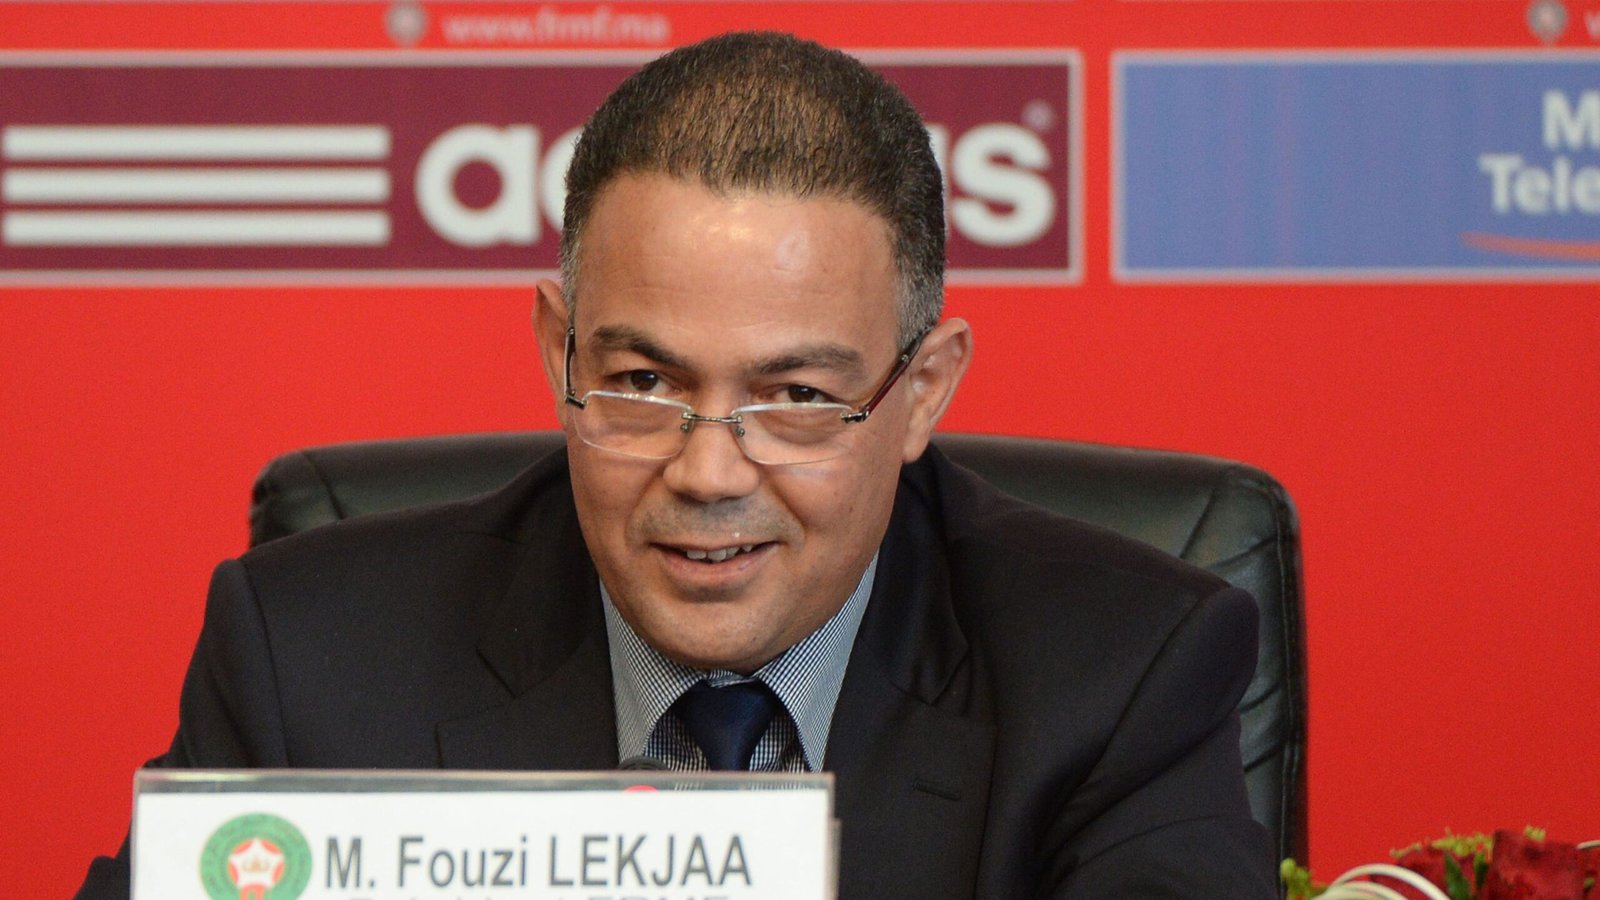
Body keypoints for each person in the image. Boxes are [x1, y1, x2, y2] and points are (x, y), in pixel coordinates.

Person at [77, 31, 1276, 898]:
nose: (709, 474)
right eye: (643, 385)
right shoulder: (309, 655)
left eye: (796, 397)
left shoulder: (1118, 671)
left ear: (921, 391)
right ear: (559, 351)